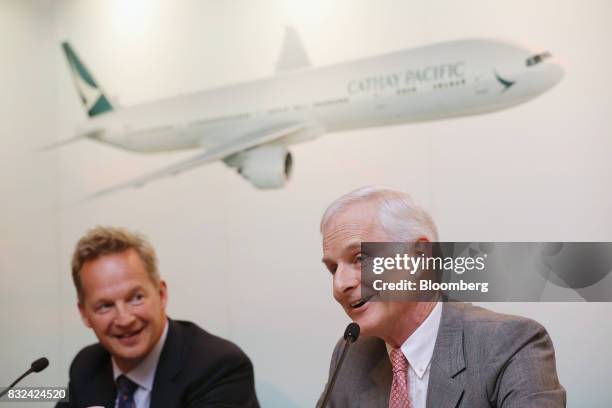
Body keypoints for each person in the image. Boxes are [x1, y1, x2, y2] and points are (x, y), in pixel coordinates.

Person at [318, 186, 565, 407]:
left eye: (360, 259)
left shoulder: (509, 344)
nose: (339, 285)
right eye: (333, 268)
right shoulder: (351, 354)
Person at [57, 226, 259, 408]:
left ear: (161, 294)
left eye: (136, 298)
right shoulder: (87, 366)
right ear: (84, 314)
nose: (125, 319)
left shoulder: (217, 368)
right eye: (105, 306)